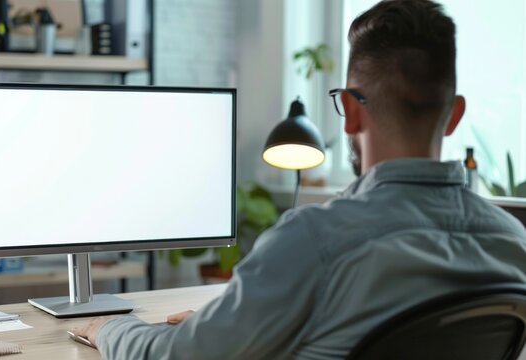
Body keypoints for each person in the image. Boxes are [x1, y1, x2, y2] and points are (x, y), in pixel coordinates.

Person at [72, 0, 526, 358]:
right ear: (454, 115)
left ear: (349, 111)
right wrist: (230, 322)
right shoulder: (513, 243)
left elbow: (173, 358)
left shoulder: (317, 240)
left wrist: (110, 326)